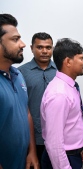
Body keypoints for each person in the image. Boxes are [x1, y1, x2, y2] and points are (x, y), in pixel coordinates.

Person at [40, 38, 83, 169]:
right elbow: (54, 143)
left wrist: (78, 148)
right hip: (61, 159)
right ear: (68, 61)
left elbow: (73, 124)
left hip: (72, 154)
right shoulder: (59, 93)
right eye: (81, 58)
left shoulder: (70, 87)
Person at [0, 13, 39, 169]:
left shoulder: (18, 75)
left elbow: (26, 112)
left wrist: (32, 151)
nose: (22, 44)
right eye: (15, 39)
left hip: (22, 160)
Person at [18, 32, 57, 164]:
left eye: (48, 47)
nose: (44, 51)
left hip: (57, 136)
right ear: (31, 48)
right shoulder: (20, 73)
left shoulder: (60, 71)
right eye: (40, 47)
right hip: (31, 137)